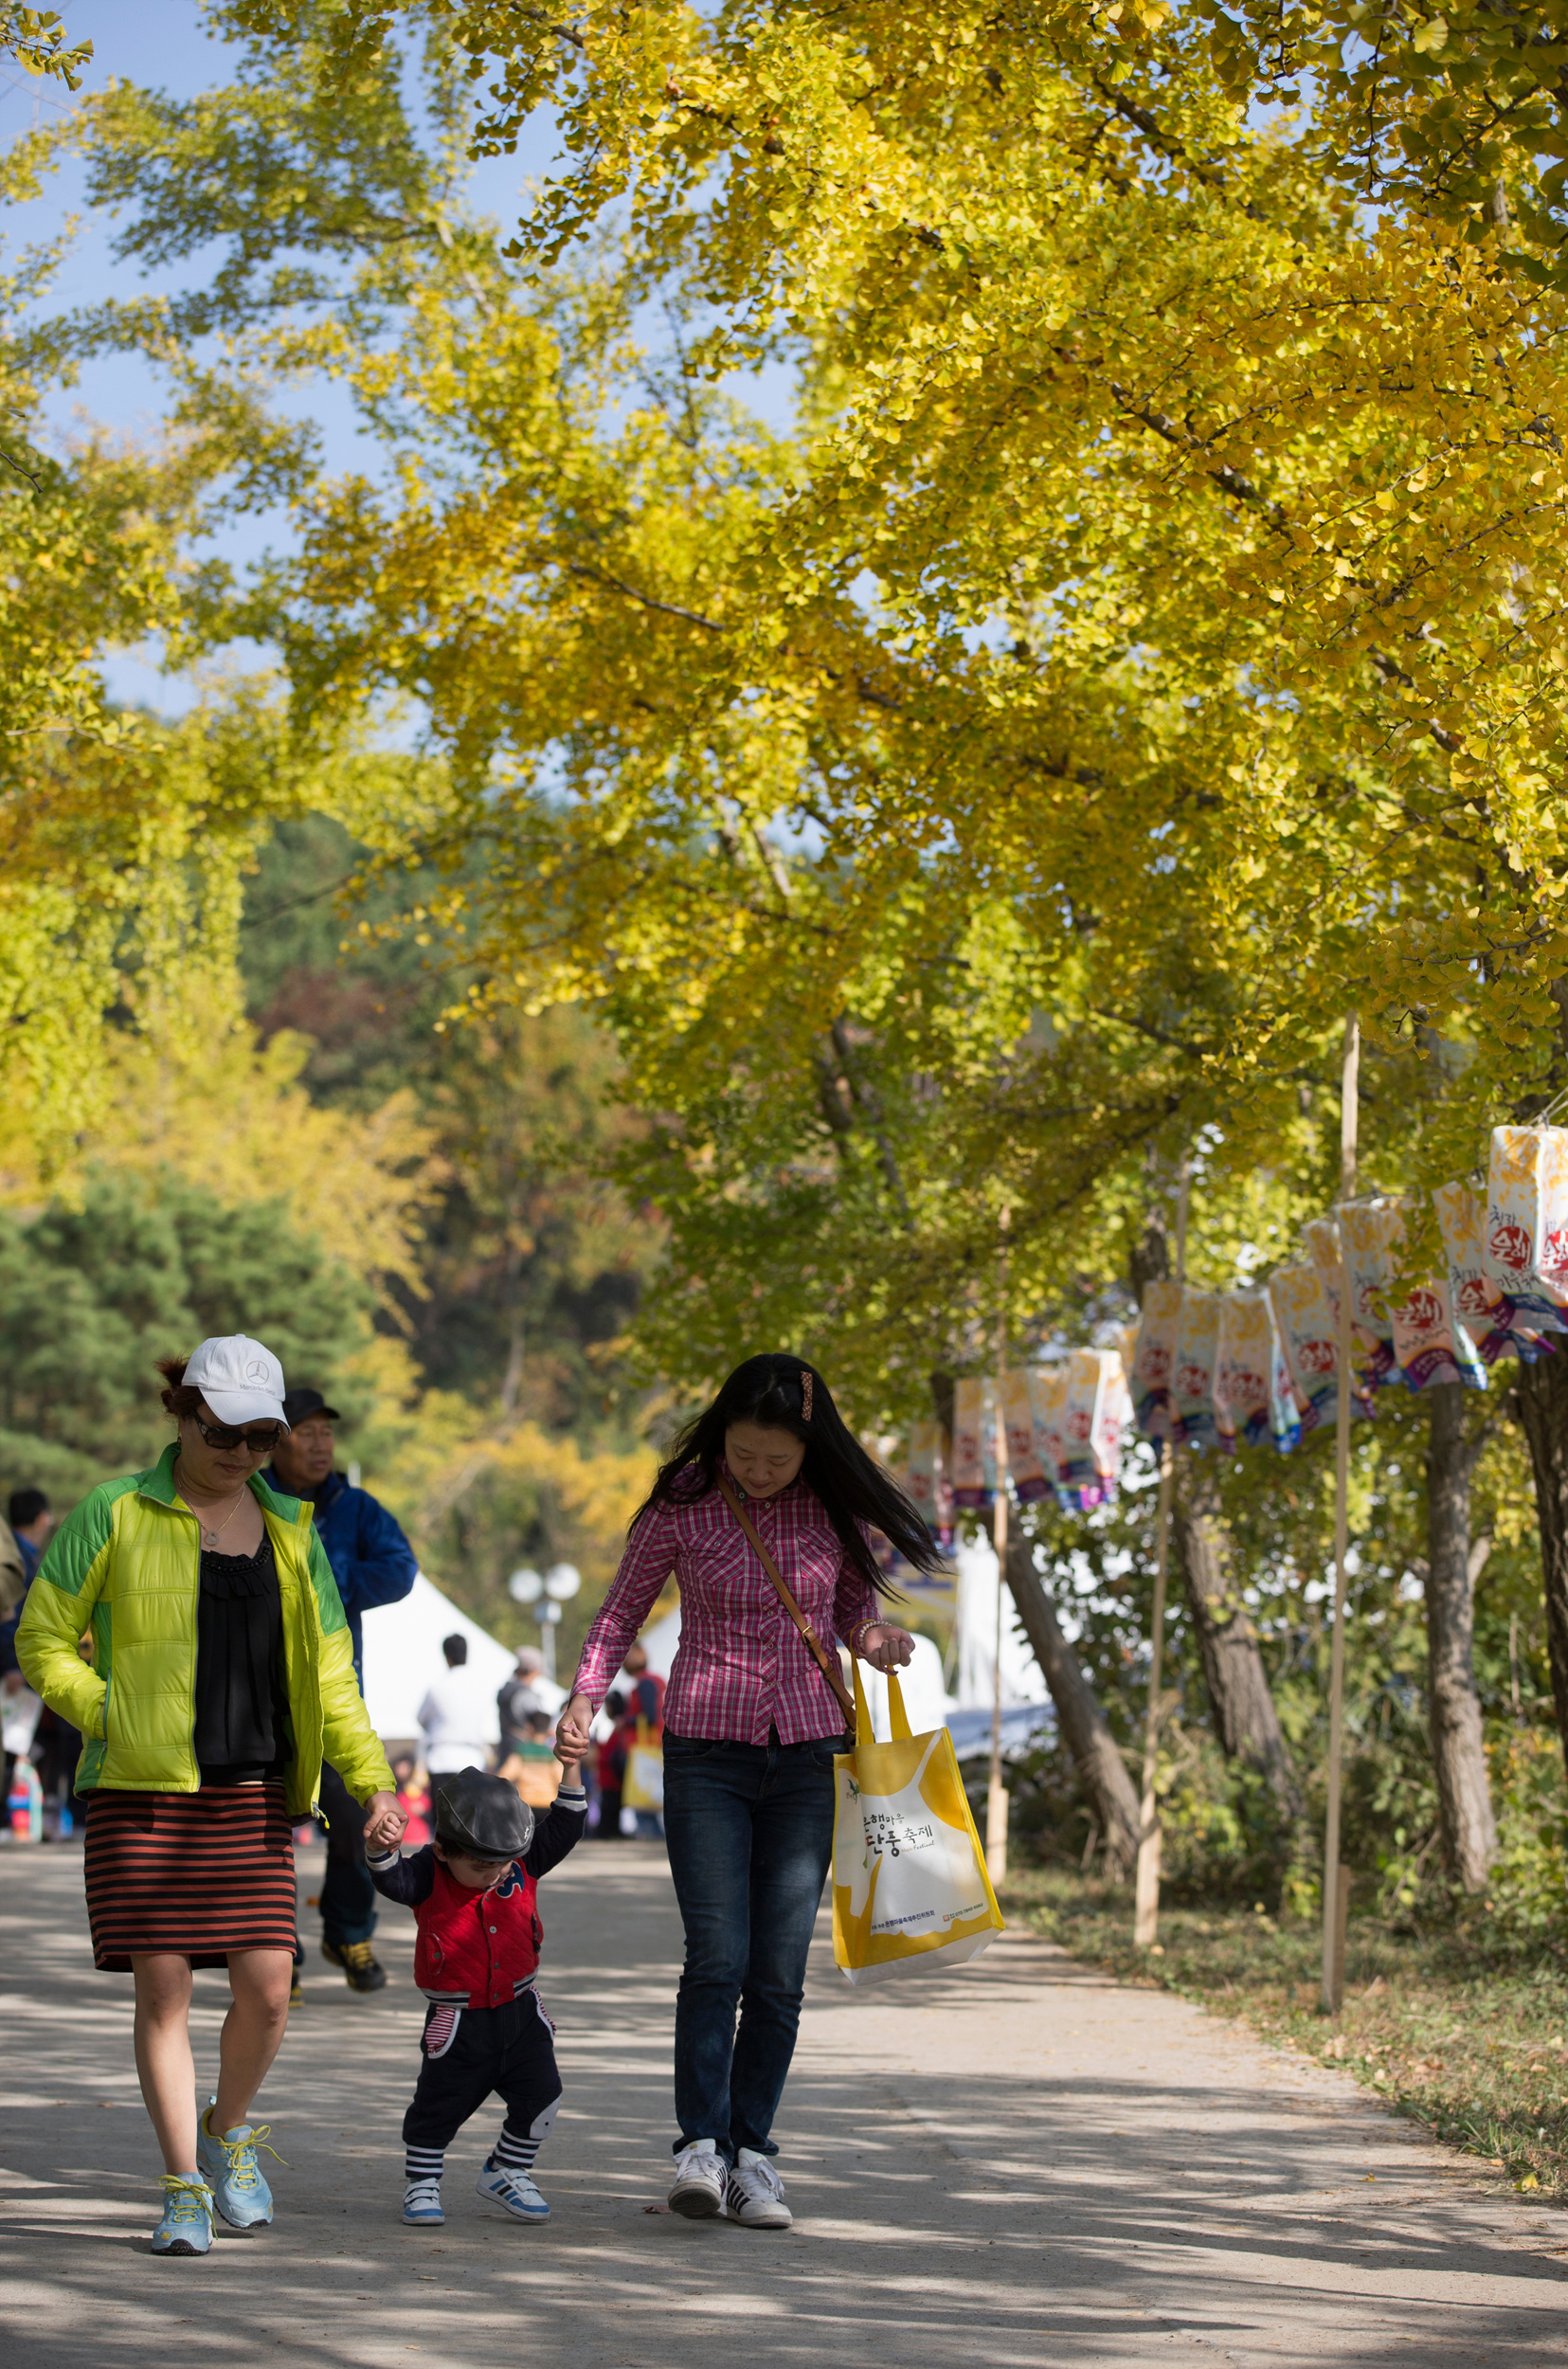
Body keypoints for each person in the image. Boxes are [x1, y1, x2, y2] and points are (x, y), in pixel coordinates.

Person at [15, 1335, 405, 2259]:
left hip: (252, 1790)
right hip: (142, 1791)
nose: (240, 1453)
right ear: (182, 1412)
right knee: (165, 1989)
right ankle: (183, 2182)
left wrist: (371, 1780)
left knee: (269, 1989)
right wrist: (108, 1710)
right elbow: (42, 1640)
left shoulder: (292, 1533)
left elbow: (331, 1676)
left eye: (261, 1437)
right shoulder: (112, 1512)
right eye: (223, 1430)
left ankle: (228, 2131)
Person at [558, 1352, 939, 2230]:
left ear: (810, 1446)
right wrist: (584, 1693)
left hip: (808, 1751)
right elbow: (620, 1610)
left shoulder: (833, 1507)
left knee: (776, 1973)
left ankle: (753, 2156)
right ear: (720, 1435)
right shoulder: (685, 1501)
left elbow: (849, 1608)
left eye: (777, 1458)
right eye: (744, 1453)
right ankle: (699, 2147)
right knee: (716, 1958)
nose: (759, 1472)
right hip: (705, 1752)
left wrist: (873, 1634)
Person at [368, 1756, 587, 2227]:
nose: (496, 1874)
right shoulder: (429, 1873)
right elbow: (392, 1879)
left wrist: (571, 1767)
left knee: (544, 2096)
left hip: (522, 2011)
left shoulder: (519, 1862)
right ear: (445, 1851)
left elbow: (565, 1827)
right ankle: (422, 2184)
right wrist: (379, 1846)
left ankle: (506, 2169)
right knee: (437, 2108)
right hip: (459, 2022)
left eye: (503, 1864)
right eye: (480, 1867)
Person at [263, 1389, 418, 1998]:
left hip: (333, 1691)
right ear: (276, 1439)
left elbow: (401, 1568)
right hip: (258, 1691)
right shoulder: (251, 1499)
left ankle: (350, 1931)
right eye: (306, 1431)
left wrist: (330, 1576)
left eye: (327, 1432)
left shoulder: (356, 1509)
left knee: (355, 1816)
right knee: (266, 1826)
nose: (321, 1443)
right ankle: (279, 1954)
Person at [419, 1635, 498, 1774]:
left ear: (446, 1656)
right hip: (474, 1760)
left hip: (441, 1760)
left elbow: (421, 1719)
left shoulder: (437, 1687)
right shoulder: (481, 1687)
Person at [497, 1647, 564, 1758]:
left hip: (507, 1748)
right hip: (525, 1753)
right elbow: (540, 1723)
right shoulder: (525, 1694)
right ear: (532, 1670)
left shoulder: (506, 1690)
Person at [593, 1687, 628, 1840]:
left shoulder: (621, 1728)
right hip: (614, 1779)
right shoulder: (620, 1727)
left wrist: (596, 1755)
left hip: (612, 1779)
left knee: (608, 1813)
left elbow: (610, 1755)